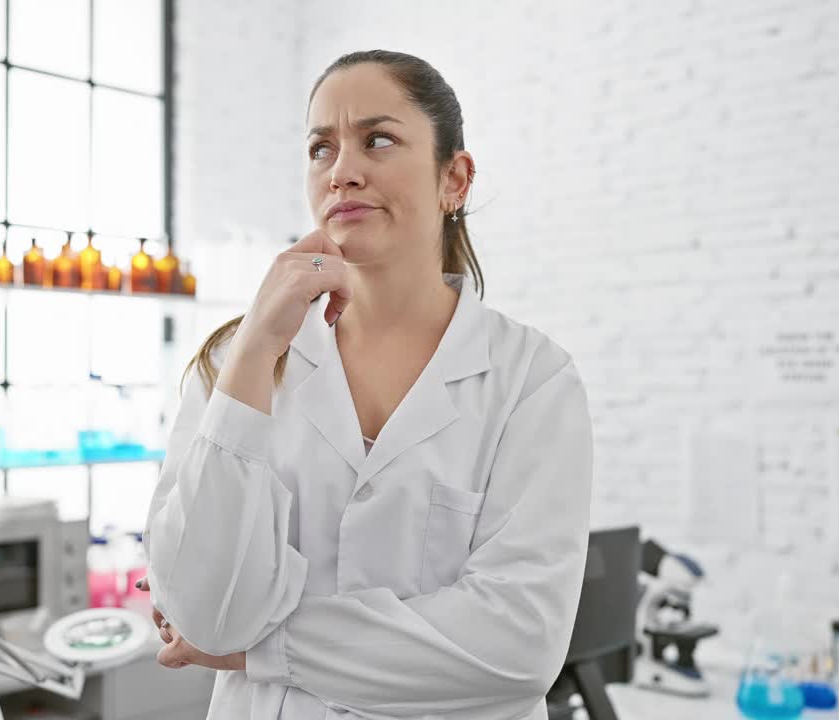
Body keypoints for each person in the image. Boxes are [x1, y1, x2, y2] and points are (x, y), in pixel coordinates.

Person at [140, 49, 594, 719]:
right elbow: (201, 614)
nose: (343, 171)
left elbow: (518, 646)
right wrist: (258, 346)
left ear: (454, 180)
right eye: (321, 148)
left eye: (378, 139)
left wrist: (264, 648)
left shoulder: (531, 379)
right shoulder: (238, 363)